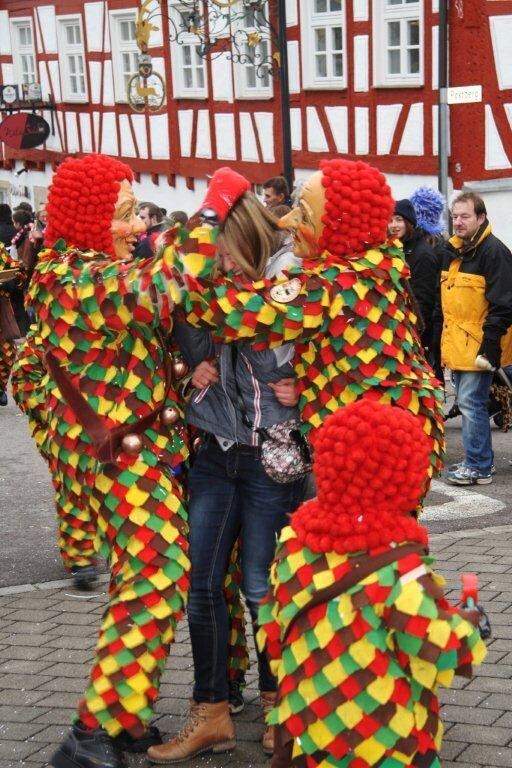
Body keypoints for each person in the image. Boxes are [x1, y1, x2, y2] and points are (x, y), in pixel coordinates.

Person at [27, 153, 198, 768]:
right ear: (87, 217)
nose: (135, 227)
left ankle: (126, 718)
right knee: (156, 577)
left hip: (134, 451)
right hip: (117, 459)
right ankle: (89, 737)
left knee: (145, 579)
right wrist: (212, 216)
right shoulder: (69, 276)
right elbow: (161, 286)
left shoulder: (86, 268)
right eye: (125, 215)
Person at [148, 189, 306, 764]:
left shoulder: (290, 280)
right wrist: (190, 366)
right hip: (215, 451)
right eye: (214, 256)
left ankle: (277, 707)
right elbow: (176, 348)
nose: (221, 264)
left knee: (263, 589)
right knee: (202, 585)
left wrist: (302, 384)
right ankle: (210, 712)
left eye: (228, 253)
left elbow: (290, 359)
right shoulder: (200, 283)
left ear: (249, 239)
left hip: (272, 456)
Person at [171, 160, 444, 489]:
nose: (286, 220)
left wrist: (210, 216)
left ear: (337, 227)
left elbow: (222, 312)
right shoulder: (374, 268)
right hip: (389, 439)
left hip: (373, 452)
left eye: (303, 213)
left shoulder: (330, 285)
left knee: (357, 538)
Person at [258, 399, 487, 768]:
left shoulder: (293, 546)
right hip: (383, 745)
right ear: (404, 475)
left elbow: (273, 630)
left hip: (312, 731)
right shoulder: (399, 567)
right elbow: (439, 647)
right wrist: (472, 622)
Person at [439, 192, 512, 485]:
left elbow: (503, 304)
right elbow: (444, 306)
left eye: (464, 216)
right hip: (458, 344)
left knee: (470, 403)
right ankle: (479, 463)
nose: (458, 222)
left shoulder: (494, 252)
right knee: (470, 403)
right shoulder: (454, 251)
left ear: (481, 217)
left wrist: (490, 347)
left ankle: (479, 465)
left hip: (480, 346)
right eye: (455, 216)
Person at [388, 199, 441, 375]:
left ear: (409, 222)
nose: (393, 225)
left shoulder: (422, 254)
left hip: (417, 335)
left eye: (399, 220)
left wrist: (414, 333)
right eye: (390, 220)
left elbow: (424, 301)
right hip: (398, 331)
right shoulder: (394, 250)